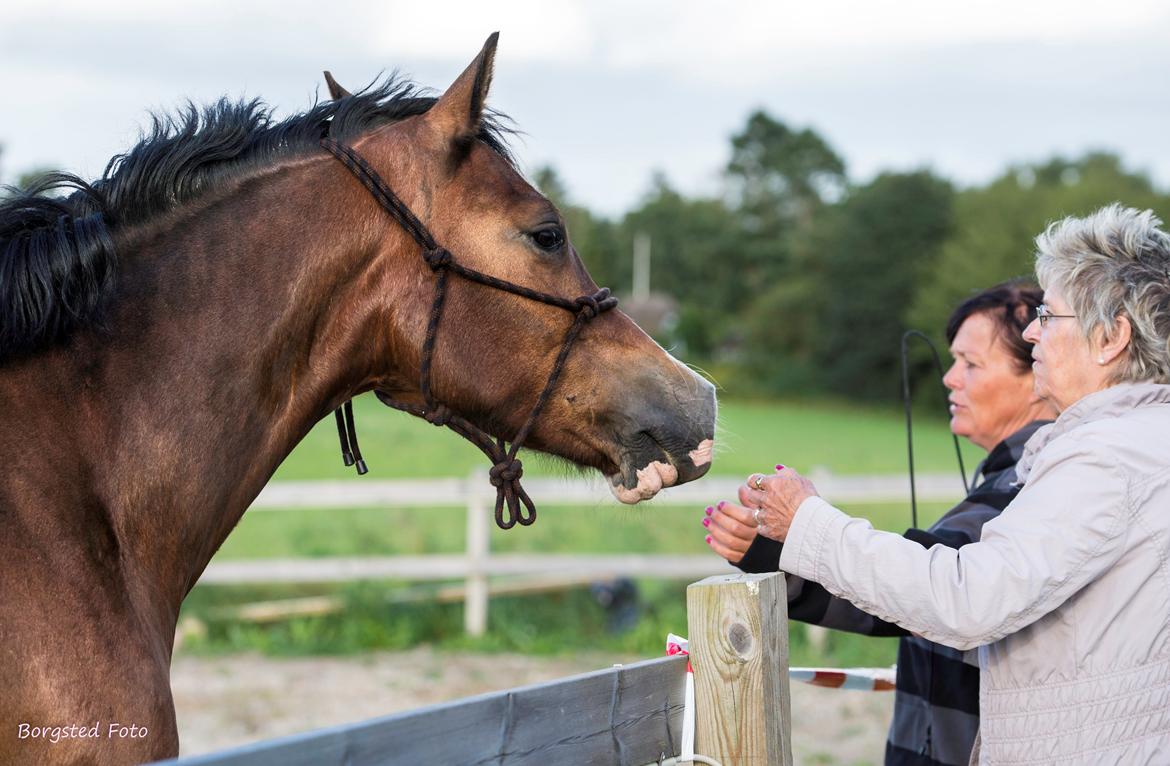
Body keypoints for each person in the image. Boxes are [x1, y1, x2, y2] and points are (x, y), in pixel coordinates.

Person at [715, 204, 1170, 764]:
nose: (1033, 333)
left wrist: (808, 522)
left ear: (1111, 338)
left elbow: (966, 600)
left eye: (1050, 317)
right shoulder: (1140, 445)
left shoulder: (1106, 459)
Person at [705, 281, 1056, 766]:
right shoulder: (1013, 478)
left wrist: (787, 545)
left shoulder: (1031, 487)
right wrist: (773, 551)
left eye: (971, 364)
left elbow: (913, 592)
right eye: (953, 361)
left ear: (1038, 373)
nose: (951, 379)